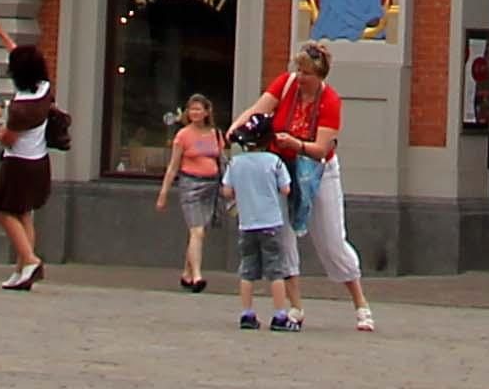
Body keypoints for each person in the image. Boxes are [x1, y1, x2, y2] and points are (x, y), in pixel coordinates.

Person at [262, 39, 374, 332]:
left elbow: (321, 148)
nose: (299, 77)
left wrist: (295, 142)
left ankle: (360, 303)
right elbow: (259, 110)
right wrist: (237, 129)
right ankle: (295, 306)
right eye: (297, 70)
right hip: (283, 169)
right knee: (283, 235)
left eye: (306, 73)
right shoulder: (285, 86)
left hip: (317, 171)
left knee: (332, 240)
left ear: (319, 76)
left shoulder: (330, 101)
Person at [0, 34, 57, 291]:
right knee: (23, 213)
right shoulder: (44, 88)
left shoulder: (20, 108)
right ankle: (22, 270)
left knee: (1, 212)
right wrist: (3, 35)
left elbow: (8, 139)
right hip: (39, 161)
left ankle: (31, 260)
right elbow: (23, 57)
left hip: (18, 164)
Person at [221, 114, 299, 330]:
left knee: (247, 270)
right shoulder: (274, 162)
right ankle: (280, 315)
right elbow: (286, 189)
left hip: (246, 224)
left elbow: (227, 191)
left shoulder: (235, 163)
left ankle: (247, 313)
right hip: (271, 222)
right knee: (275, 270)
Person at [158, 91, 229, 291]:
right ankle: (197, 276)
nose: (195, 112)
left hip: (212, 185)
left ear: (207, 112)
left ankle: (187, 273)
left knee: (199, 232)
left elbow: (222, 159)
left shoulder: (216, 133)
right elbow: (173, 166)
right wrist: (163, 193)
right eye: (192, 109)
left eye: (199, 109)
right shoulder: (183, 135)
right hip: (191, 185)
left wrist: (226, 185)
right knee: (197, 230)